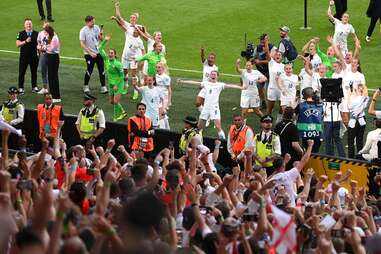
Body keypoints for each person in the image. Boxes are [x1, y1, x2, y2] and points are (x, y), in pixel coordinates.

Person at [178, 70, 244, 139]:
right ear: (210, 76)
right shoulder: (206, 83)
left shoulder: (220, 85)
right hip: (205, 108)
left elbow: (230, 86)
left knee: (218, 128)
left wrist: (241, 87)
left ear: (217, 76)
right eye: (212, 74)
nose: (213, 76)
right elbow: (195, 83)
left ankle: (224, 142)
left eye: (214, 74)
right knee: (198, 128)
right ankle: (197, 142)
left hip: (214, 109)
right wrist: (182, 81)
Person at [98, 34, 127, 121]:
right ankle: (120, 113)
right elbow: (99, 48)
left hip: (118, 84)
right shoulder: (106, 60)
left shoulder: (118, 64)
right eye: (109, 53)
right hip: (111, 84)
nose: (110, 54)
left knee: (115, 101)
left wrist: (116, 85)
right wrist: (105, 40)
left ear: (115, 55)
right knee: (111, 101)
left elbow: (122, 76)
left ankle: (119, 115)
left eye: (112, 53)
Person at [79, 15, 107, 94]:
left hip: (98, 52)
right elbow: (82, 44)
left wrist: (101, 36)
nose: (94, 23)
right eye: (92, 22)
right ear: (87, 22)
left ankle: (103, 86)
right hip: (89, 54)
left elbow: (101, 39)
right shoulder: (83, 31)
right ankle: (85, 86)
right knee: (89, 70)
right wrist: (90, 53)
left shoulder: (96, 27)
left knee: (101, 69)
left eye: (94, 21)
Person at [295, 87, 323, 152]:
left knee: (306, 152)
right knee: (316, 153)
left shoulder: (301, 106)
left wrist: (295, 101)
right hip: (317, 134)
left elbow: (293, 115)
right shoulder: (320, 105)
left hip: (305, 134)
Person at [16, 18, 39, 95]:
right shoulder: (21, 33)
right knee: (22, 72)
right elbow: (17, 44)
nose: (29, 25)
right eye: (27, 23)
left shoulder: (37, 34)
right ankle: (21, 87)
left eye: (30, 23)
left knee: (34, 72)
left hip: (34, 57)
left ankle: (34, 87)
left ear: (32, 25)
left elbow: (39, 44)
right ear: (24, 25)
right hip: (24, 57)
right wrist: (25, 41)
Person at [347, 84, 369, 158]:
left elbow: (349, 107)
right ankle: (360, 157)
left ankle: (351, 158)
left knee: (350, 141)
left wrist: (349, 96)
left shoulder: (356, 99)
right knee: (359, 140)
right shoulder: (366, 98)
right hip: (362, 120)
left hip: (354, 121)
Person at [253, 33, 275, 109]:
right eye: (261, 40)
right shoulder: (258, 48)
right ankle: (263, 102)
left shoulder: (272, 48)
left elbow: (271, 60)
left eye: (264, 40)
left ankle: (273, 104)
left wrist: (260, 62)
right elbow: (254, 58)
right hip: (261, 72)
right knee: (259, 87)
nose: (262, 42)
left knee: (269, 89)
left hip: (270, 72)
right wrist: (251, 60)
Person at [196, 48, 218, 116]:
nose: (210, 59)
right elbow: (202, 58)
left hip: (210, 88)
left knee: (206, 104)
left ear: (214, 60)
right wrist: (202, 51)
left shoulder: (215, 68)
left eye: (212, 58)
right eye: (209, 58)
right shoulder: (205, 64)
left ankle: (206, 115)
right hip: (204, 87)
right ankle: (205, 114)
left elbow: (214, 80)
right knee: (198, 103)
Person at [266, 48, 285, 119]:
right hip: (272, 89)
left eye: (279, 55)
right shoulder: (271, 63)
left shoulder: (284, 67)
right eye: (276, 54)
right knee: (270, 108)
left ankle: (279, 121)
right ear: (274, 57)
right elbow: (267, 53)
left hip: (281, 89)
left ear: (282, 57)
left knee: (281, 107)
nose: (278, 55)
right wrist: (266, 42)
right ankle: (267, 121)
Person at [45, 25, 61, 103]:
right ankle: (52, 95)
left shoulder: (54, 38)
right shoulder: (50, 37)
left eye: (46, 32)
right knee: (51, 77)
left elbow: (51, 49)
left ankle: (57, 96)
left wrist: (44, 48)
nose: (45, 34)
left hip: (53, 58)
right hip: (50, 57)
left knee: (53, 77)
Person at [155, 63, 172, 129]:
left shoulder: (166, 77)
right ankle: (168, 129)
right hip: (158, 98)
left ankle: (162, 131)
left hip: (164, 98)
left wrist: (169, 102)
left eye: (159, 67)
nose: (157, 69)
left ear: (163, 68)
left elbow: (169, 90)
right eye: (156, 67)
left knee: (161, 113)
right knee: (163, 114)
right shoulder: (155, 76)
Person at [36, 21, 50, 95]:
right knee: (43, 71)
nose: (46, 27)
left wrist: (43, 48)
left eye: (47, 25)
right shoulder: (40, 34)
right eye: (45, 25)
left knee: (51, 72)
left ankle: (52, 88)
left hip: (50, 55)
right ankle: (45, 88)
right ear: (43, 26)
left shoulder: (52, 34)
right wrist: (39, 49)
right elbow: (38, 43)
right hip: (43, 55)